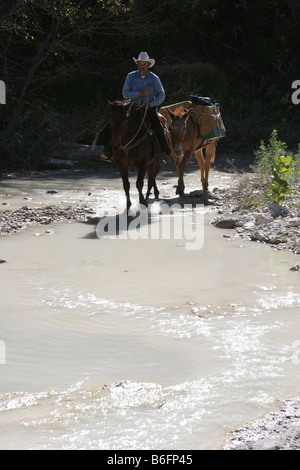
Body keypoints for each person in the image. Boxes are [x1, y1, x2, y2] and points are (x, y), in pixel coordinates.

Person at [99, 52, 171, 163]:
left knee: (158, 126)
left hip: (148, 108)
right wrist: (139, 94)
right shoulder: (131, 76)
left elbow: (162, 95)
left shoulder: (154, 78)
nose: (142, 66)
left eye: (144, 64)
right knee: (115, 123)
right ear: (137, 64)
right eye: (140, 63)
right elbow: (125, 93)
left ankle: (163, 153)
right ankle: (107, 150)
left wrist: (150, 104)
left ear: (148, 65)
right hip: (130, 107)